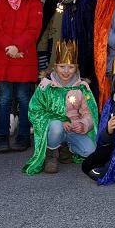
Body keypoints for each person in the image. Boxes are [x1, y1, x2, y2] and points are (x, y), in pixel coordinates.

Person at [0, 0, 43, 153]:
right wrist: (9, 47)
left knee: (23, 98)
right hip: (4, 57)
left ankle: (22, 136)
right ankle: (2, 137)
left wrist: (17, 46)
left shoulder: (34, 1)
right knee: (3, 99)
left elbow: (33, 30)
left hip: (24, 56)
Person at [23, 41, 98, 175]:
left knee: (90, 151)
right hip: (53, 128)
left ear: (76, 68)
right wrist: (59, 120)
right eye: (62, 66)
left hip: (73, 129)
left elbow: (89, 113)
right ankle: (51, 153)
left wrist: (83, 124)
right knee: (57, 127)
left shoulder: (82, 88)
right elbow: (35, 110)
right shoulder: (46, 87)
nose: (66, 71)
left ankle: (65, 147)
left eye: (70, 67)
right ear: (55, 67)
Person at [38, 0, 97, 91]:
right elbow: (45, 27)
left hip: (80, 51)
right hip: (55, 50)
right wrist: (42, 54)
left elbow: (91, 31)